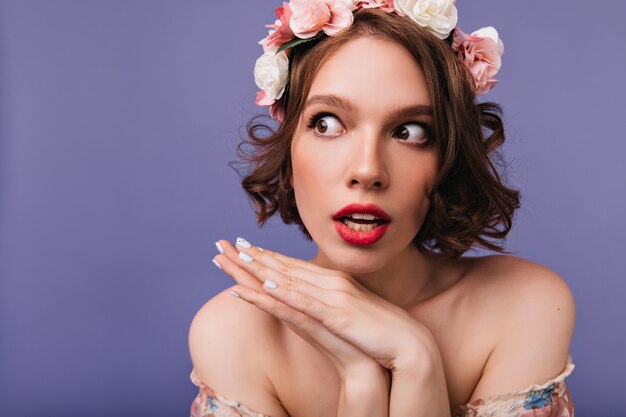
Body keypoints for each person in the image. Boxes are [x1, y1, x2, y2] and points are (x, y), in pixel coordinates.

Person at [188, 1, 576, 416]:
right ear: (289, 149)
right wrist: (360, 377)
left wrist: (415, 356)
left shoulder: (524, 307)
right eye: (328, 124)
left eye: (409, 131)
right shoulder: (233, 334)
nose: (368, 170)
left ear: (447, 159)